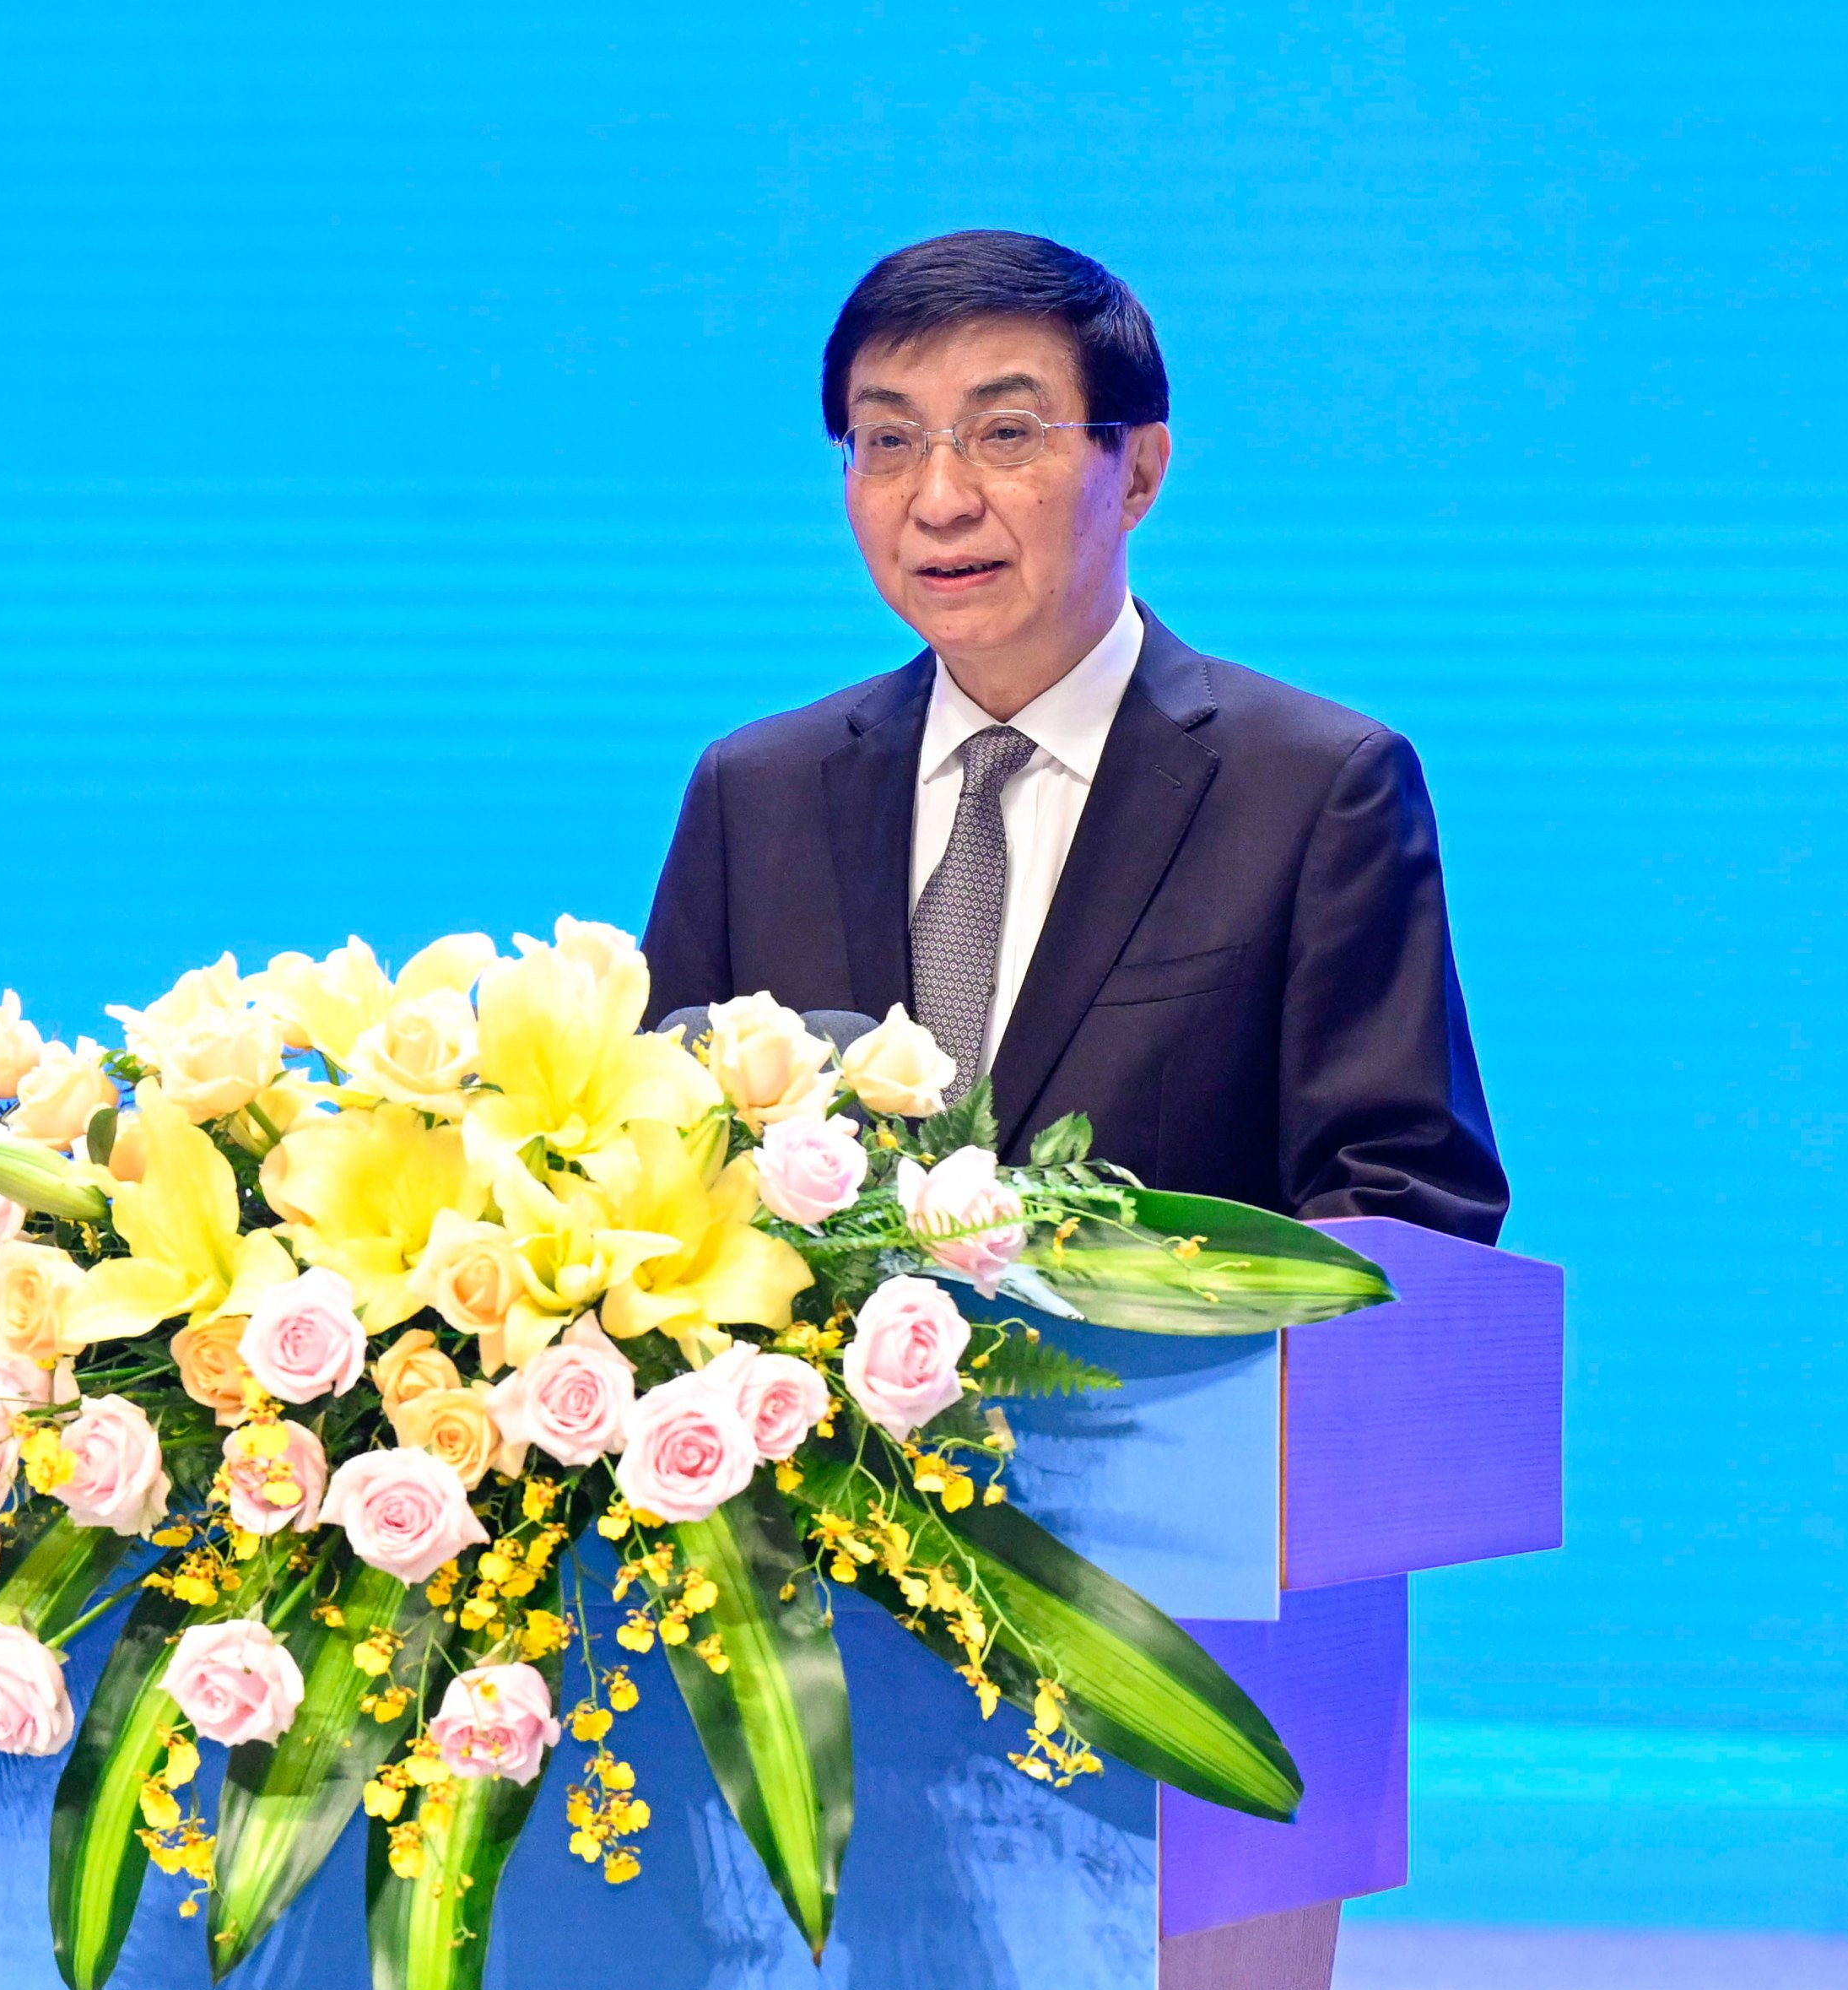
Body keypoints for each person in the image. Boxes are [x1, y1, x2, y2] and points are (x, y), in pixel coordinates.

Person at [640, 229, 1508, 1241]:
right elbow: (656, 1164)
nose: (939, 501)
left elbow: (1403, 1209)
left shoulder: (1318, 791)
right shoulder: (755, 793)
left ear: (1138, 470)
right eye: (889, 441)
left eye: (1005, 434)